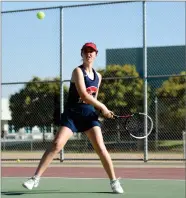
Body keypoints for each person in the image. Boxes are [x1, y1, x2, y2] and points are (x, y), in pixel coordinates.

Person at [22, 42, 124, 194]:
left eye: (92, 51)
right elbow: (83, 94)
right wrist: (103, 106)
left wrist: (102, 111)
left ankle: (114, 181)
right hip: (73, 115)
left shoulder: (98, 76)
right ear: (82, 54)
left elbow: (92, 98)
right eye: (86, 51)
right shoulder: (77, 71)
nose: (89, 54)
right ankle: (35, 178)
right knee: (57, 144)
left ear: (96, 55)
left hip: (89, 115)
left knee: (101, 148)